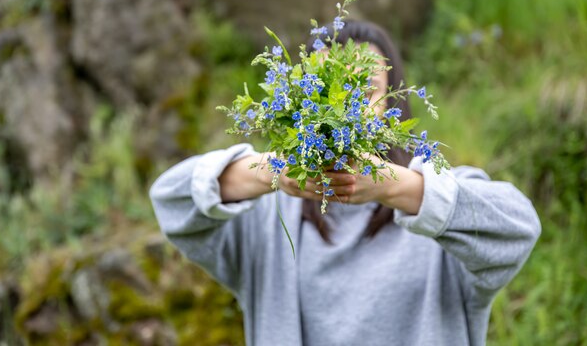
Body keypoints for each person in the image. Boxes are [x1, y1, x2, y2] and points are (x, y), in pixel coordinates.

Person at [149, 20, 541, 346]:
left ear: (391, 103)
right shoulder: (267, 222)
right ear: (297, 101)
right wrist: (270, 169)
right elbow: (171, 200)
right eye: (324, 87)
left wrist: (392, 186)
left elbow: (517, 228)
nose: (342, 108)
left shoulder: (439, 204)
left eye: (365, 89)